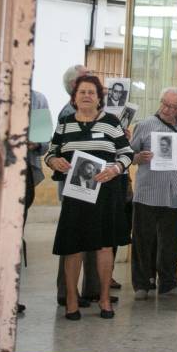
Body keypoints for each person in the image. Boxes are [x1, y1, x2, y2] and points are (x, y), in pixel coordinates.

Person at [45, 75, 133, 320]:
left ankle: (104, 298)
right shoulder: (64, 124)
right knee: (73, 247)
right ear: (74, 97)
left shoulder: (111, 122)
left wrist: (115, 169)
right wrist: (54, 161)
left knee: (105, 246)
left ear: (98, 98)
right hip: (75, 194)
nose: (86, 96)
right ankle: (71, 300)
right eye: (82, 92)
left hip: (105, 193)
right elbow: (51, 152)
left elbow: (127, 153)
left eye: (91, 92)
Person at [129, 88, 177, 300]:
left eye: (173, 107)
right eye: (164, 104)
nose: (167, 109)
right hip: (149, 192)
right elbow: (128, 155)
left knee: (171, 242)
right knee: (143, 240)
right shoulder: (145, 125)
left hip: (176, 194)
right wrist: (139, 157)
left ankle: (167, 283)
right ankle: (142, 284)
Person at [54, 65, 101, 307]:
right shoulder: (67, 114)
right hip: (75, 185)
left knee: (94, 236)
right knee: (72, 239)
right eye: (86, 81)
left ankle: (93, 289)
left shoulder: (99, 115)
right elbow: (57, 150)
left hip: (95, 184)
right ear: (76, 88)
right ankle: (67, 291)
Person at [19, 89, 51, 314]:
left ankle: (10, 292)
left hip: (24, 168)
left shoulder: (38, 98)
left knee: (16, 230)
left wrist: (34, 143)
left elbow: (43, 138)